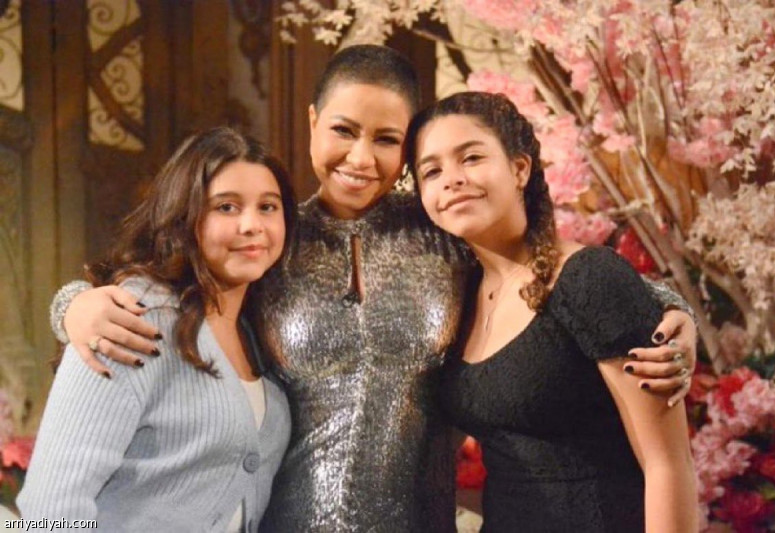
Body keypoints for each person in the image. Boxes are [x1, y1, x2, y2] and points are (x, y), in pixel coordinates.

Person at [48, 46, 697, 532]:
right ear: (313, 121)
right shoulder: (270, 238)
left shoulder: (446, 235)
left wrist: (675, 312)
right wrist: (71, 305)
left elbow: (560, 276)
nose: (361, 157)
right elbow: (169, 280)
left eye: (387, 140)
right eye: (343, 130)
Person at [408, 91, 698, 531]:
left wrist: (682, 312)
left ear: (519, 169)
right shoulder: (458, 294)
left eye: (471, 158)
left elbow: (668, 464)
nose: (452, 179)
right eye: (432, 171)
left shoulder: (590, 277)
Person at [18, 127, 297, 533]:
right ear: (185, 216)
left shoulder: (262, 329)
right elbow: (50, 509)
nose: (252, 224)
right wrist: (69, 305)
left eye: (268, 207)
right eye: (227, 207)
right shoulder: (133, 317)